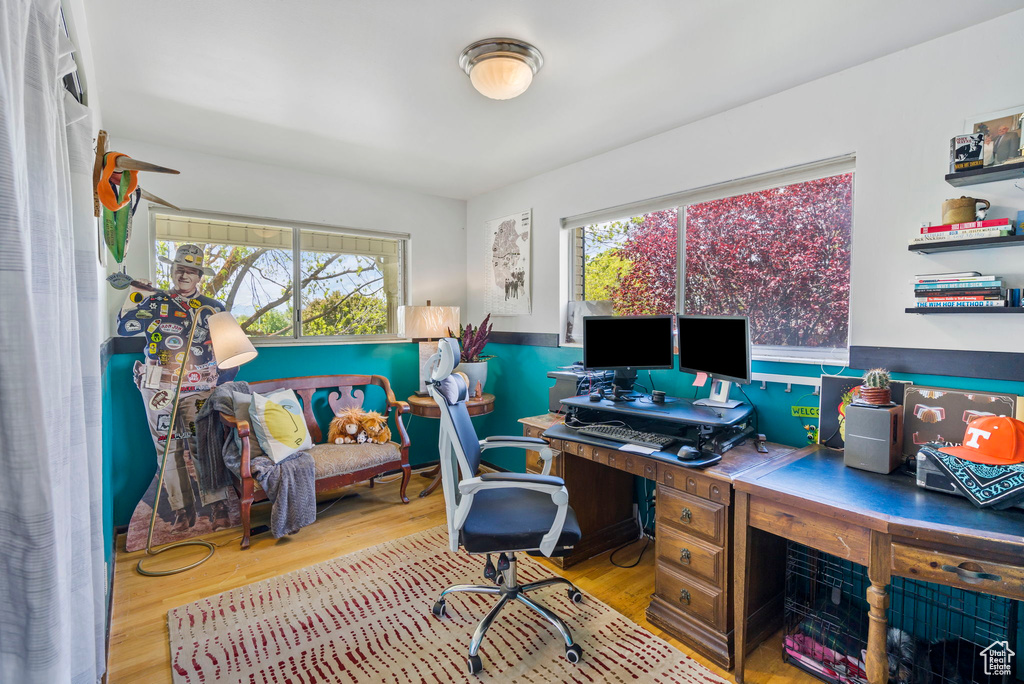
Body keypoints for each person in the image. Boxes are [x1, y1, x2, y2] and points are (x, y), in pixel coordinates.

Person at [118, 244, 232, 532]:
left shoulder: (214, 308)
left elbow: (230, 353)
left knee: (202, 444)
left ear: (199, 277)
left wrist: (220, 384)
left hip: (197, 391)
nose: (184, 275)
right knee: (167, 450)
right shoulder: (153, 303)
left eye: (191, 271)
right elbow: (125, 328)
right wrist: (137, 295)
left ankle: (216, 505)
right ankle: (182, 510)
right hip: (159, 391)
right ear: (171, 271)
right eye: (179, 269)